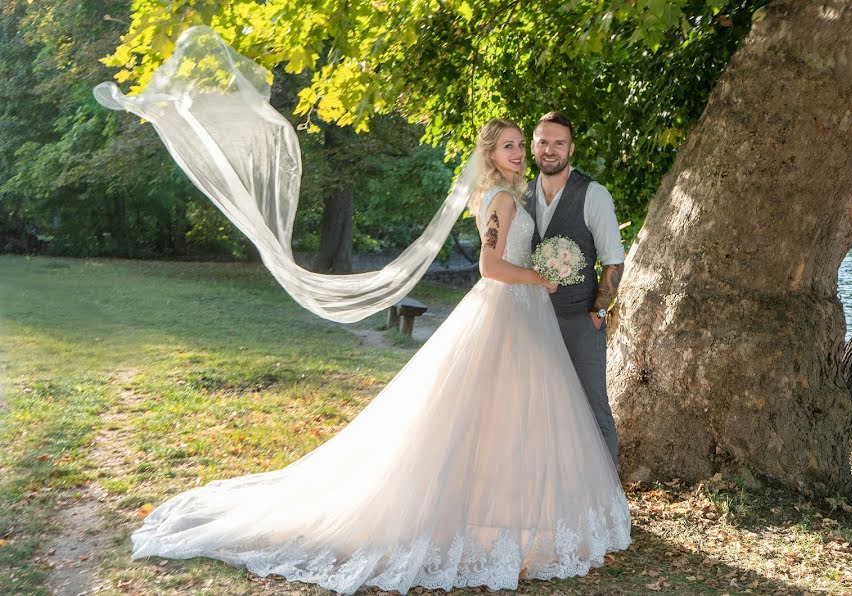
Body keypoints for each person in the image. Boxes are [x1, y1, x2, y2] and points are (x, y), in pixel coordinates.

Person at [130, 118, 631, 595]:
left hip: (527, 317)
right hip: (507, 308)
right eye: (511, 147)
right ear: (491, 155)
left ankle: (511, 515)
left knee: (513, 420)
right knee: (477, 416)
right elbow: (489, 265)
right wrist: (539, 279)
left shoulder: (518, 195)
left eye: (523, 146)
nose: (521, 154)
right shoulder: (500, 198)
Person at [524, 112, 626, 462]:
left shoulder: (593, 194)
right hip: (531, 324)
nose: (550, 150)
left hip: (580, 321)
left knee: (593, 411)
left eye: (559, 143)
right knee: (537, 410)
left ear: (571, 148)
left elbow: (614, 260)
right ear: (534, 145)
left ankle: (609, 506)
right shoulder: (520, 195)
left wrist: (598, 314)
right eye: (543, 142)